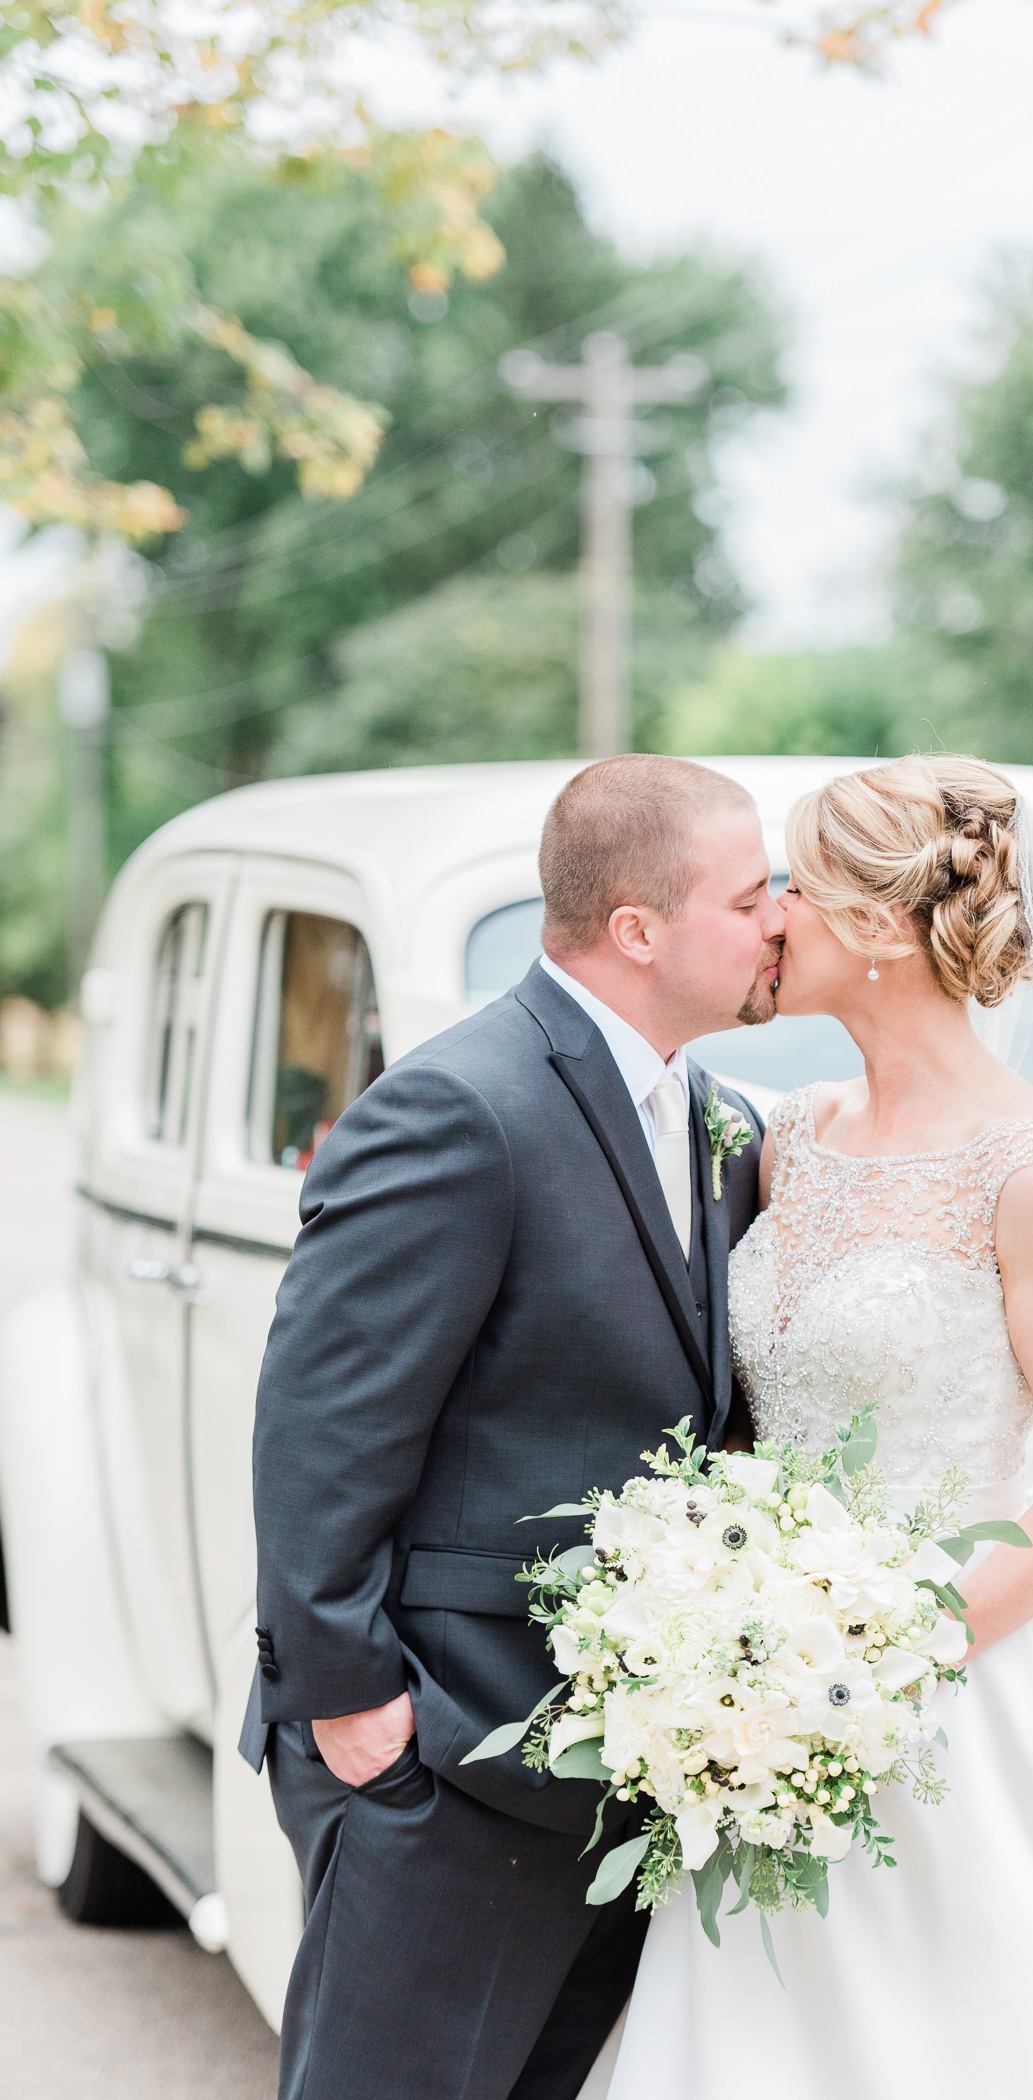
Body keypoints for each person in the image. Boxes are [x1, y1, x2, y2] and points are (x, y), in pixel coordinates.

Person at [587, 754, 1033, 2100]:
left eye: (791, 882)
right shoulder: (786, 1137)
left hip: (954, 1694)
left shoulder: (1032, 1175)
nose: (771, 914)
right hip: (751, 1691)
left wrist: (878, 1658)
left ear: (869, 928)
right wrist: (731, 1646)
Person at [238, 753, 785, 2100]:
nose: (780, 917)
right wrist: (356, 1703)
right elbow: (323, 1426)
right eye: (750, 894)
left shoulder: (714, 1120)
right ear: (637, 929)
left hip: (606, 1769)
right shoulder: (455, 1106)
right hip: (444, 1753)